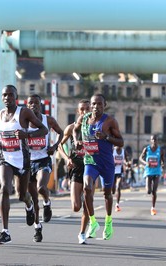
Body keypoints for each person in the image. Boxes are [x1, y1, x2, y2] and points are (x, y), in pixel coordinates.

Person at [0, 85, 48, 245]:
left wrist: (27, 134)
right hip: (6, 158)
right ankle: (5, 232)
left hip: (23, 160)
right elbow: (0, 134)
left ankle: (29, 204)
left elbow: (43, 129)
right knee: (4, 188)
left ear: (16, 97)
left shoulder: (24, 112)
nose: (7, 98)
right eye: (4, 95)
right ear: (1, 98)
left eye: (10, 95)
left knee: (21, 195)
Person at [73, 93, 124, 241]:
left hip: (107, 163)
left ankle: (108, 221)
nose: (96, 107)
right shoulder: (84, 119)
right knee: (87, 189)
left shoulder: (110, 121)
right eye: (94, 104)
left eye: (99, 104)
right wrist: (76, 141)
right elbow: (75, 130)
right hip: (90, 160)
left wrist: (106, 137)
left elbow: (121, 142)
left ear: (104, 105)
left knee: (107, 194)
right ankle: (93, 222)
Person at [26, 94, 64, 242]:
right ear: (27, 105)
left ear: (40, 105)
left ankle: (47, 203)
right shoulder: (23, 121)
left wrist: (54, 146)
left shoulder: (47, 120)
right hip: (27, 162)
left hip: (43, 160)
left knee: (42, 188)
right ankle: (37, 227)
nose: (33, 105)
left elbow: (60, 132)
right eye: (30, 103)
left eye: (36, 103)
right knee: (31, 198)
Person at [58, 99, 91, 244]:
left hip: (90, 168)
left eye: (87, 109)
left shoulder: (95, 128)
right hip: (76, 168)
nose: (84, 112)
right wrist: (66, 158)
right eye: (82, 109)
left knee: (87, 204)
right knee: (76, 206)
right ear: (78, 111)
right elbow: (59, 144)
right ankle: (84, 199)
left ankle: (82, 233)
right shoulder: (71, 128)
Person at [139, 134, 165, 216]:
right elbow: (140, 158)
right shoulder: (146, 149)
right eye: (152, 139)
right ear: (151, 140)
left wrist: (163, 164)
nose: (154, 141)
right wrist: (146, 163)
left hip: (157, 171)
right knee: (149, 191)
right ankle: (147, 187)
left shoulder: (160, 150)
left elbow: (162, 160)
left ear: (157, 140)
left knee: (154, 190)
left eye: (155, 139)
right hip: (148, 171)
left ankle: (153, 208)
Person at [112, 146, 127, 212]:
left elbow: (126, 160)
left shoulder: (123, 151)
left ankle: (117, 204)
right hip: (112, 172)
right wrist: (113, 163)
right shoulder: (112, 150)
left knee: (118, 187)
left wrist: (127, 163)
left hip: (120, 172)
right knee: (113, 190)